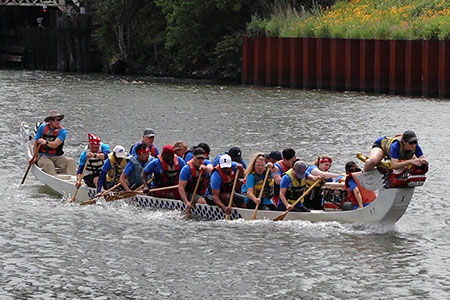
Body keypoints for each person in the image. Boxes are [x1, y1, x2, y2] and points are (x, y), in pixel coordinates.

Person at [30, 110, 76, 175]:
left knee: (70, 161)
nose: (58, 122)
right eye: (55, 120)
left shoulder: (62, 132)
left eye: (59, 120)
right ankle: (55, 179)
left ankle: (72, 180)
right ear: (50, 121)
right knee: (49, 164)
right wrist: (35, 157)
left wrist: (45, 142)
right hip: (43, 156)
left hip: (57, 156)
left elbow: (55, 144)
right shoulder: (42, 128)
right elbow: (36, 142)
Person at [363, 130, 428, 172]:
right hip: (381, 147)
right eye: (411, 143)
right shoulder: (395, 146)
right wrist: (410, 162)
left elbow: (422, 157)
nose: (413, 145)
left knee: (416, 162)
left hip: (401, 155)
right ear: (404, 142)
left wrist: (424, 161)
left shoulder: (415, 146)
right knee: (372, 161)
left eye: (415, 142)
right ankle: (364, 173)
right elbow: (395, 165)